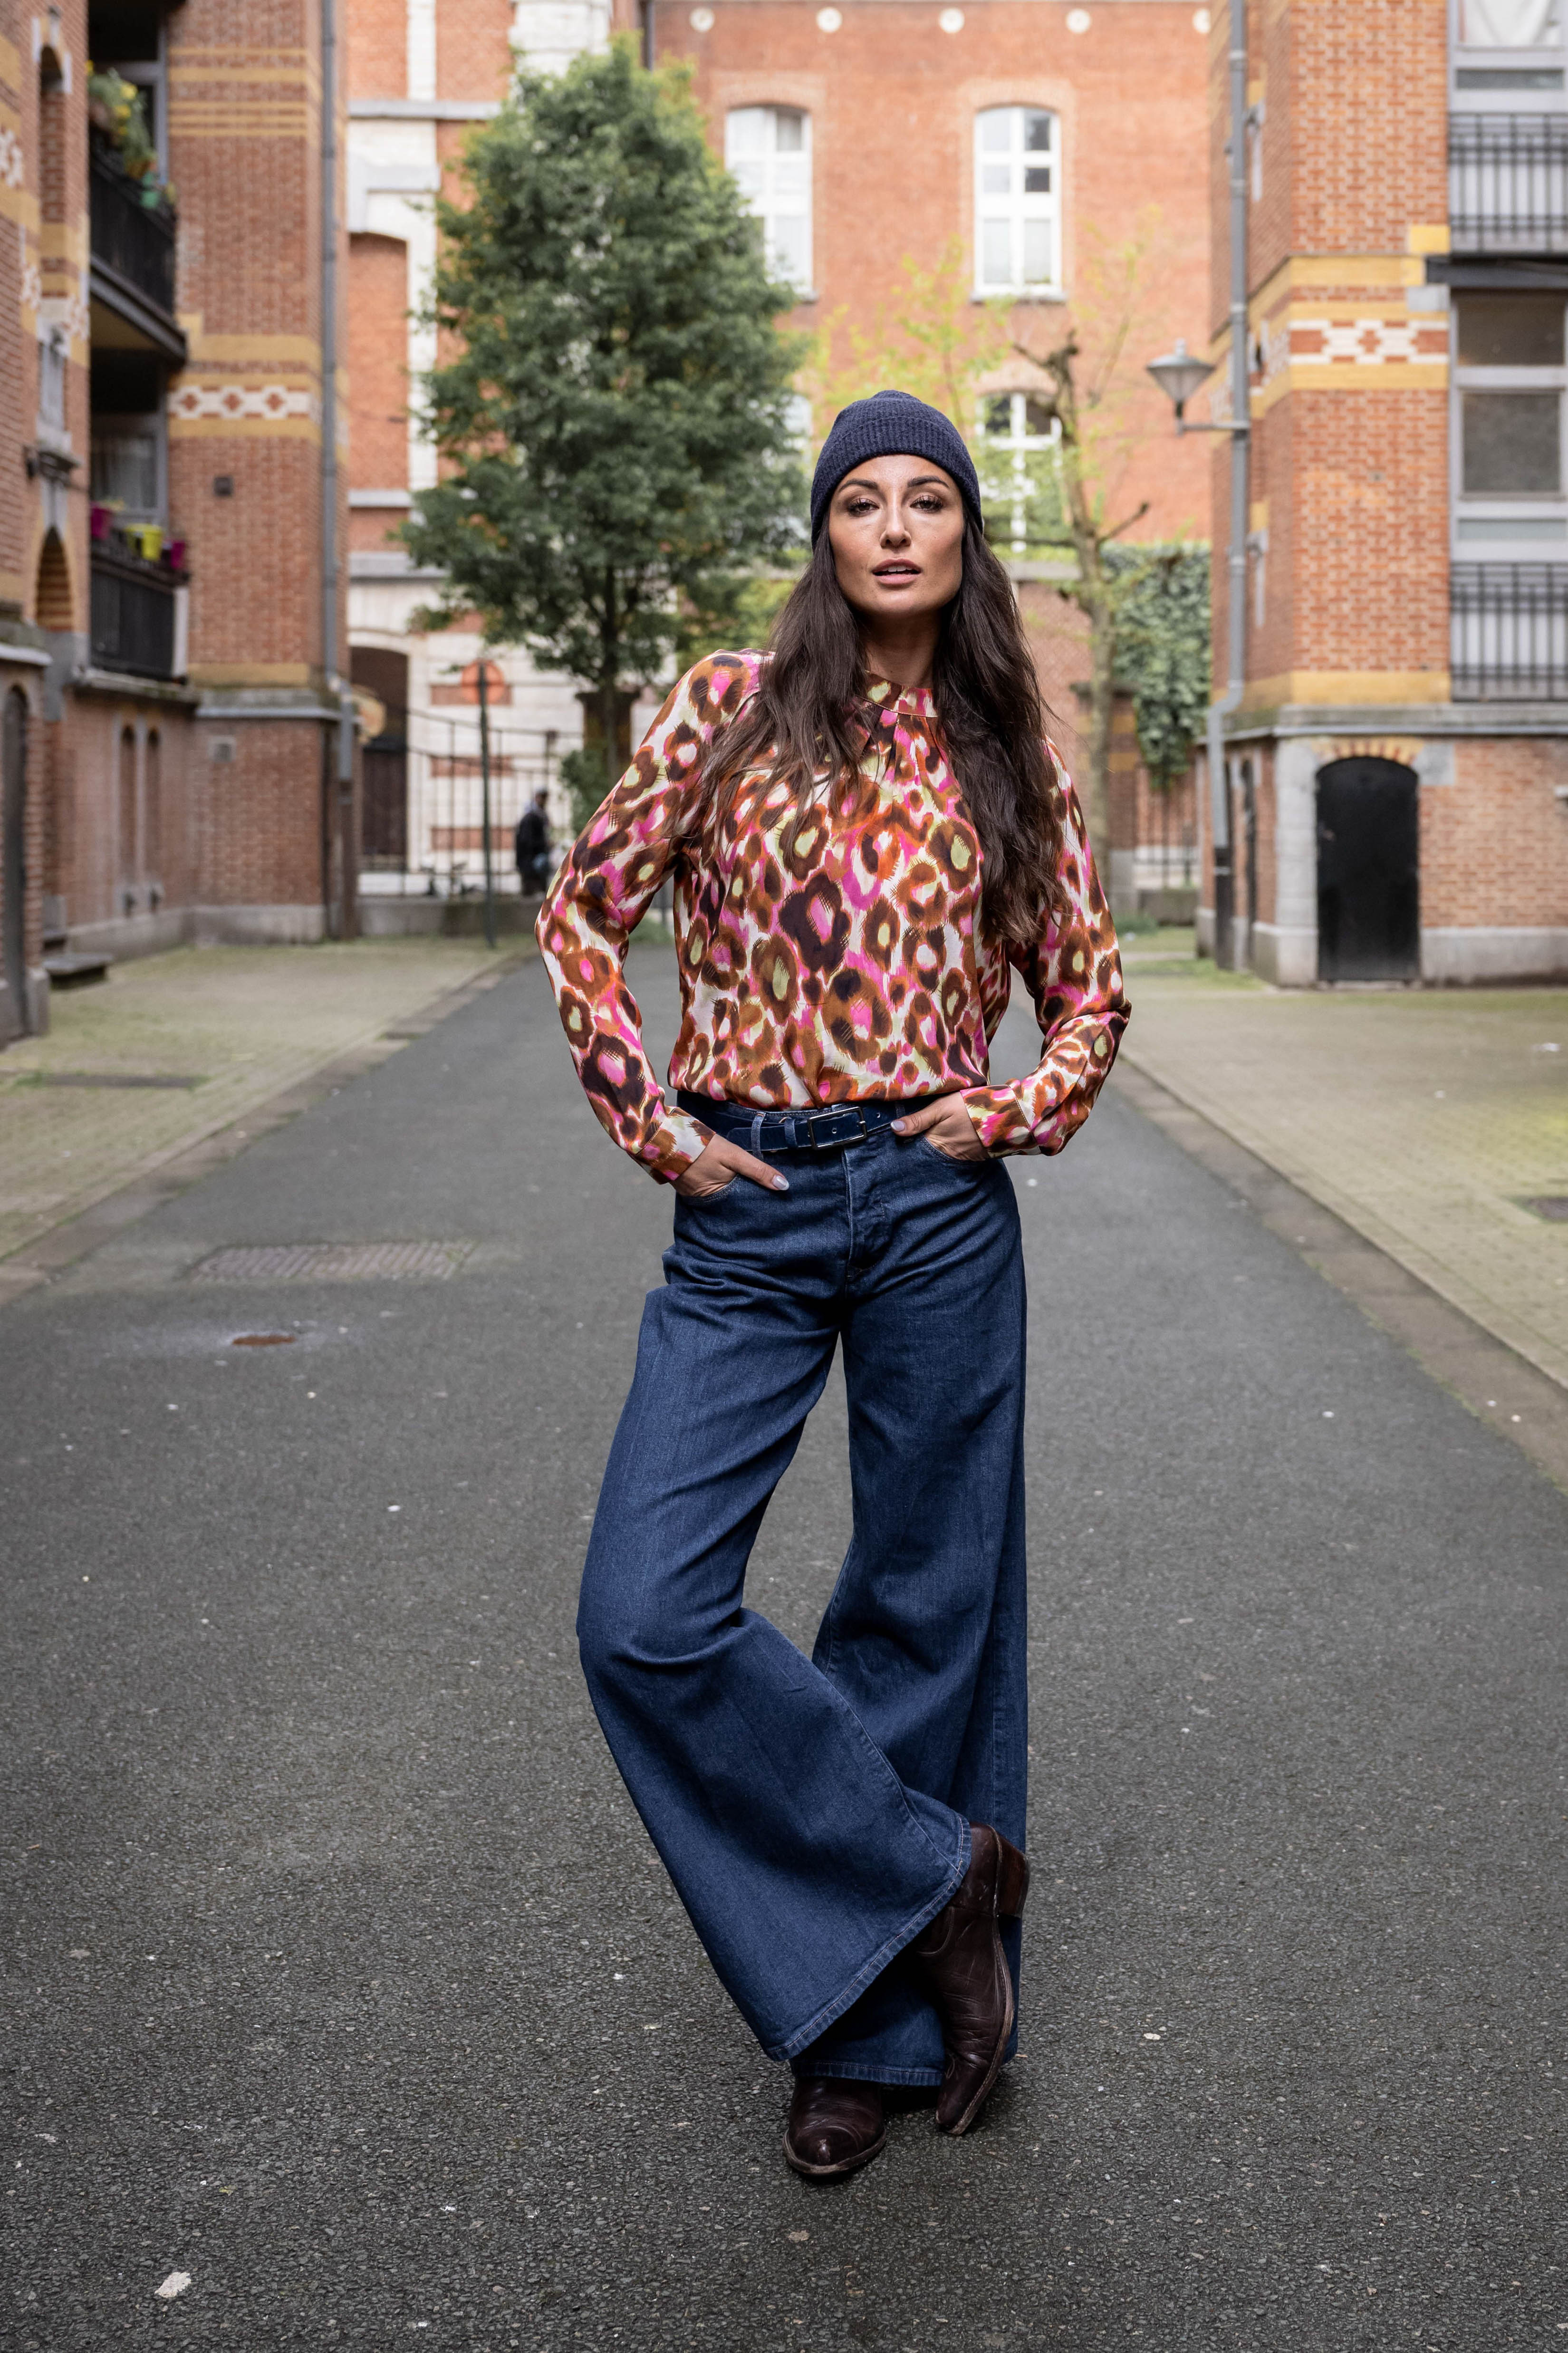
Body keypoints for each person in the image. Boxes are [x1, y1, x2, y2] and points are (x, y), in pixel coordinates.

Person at [537, 389, 1127, 2180]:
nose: (888, 526)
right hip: (751, 1196)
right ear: (822, 533)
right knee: (640, 1610)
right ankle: (934, 1879)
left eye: (924, 498)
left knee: (921, 1603)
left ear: (962, 536)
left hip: (936, 1199)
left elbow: (1087, 988)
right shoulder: (724, 708)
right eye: (856, 499)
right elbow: (581, 910)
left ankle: (860, 2038)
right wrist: (650, 1121)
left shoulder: (1004, 745)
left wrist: (1017, 1109)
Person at [514, 790, 553, 893]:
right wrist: (545, 844)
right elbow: (528, 841)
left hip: (533, 857)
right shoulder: (531, 818)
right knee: (543, 864)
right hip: (530, 858)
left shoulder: (541, 816)